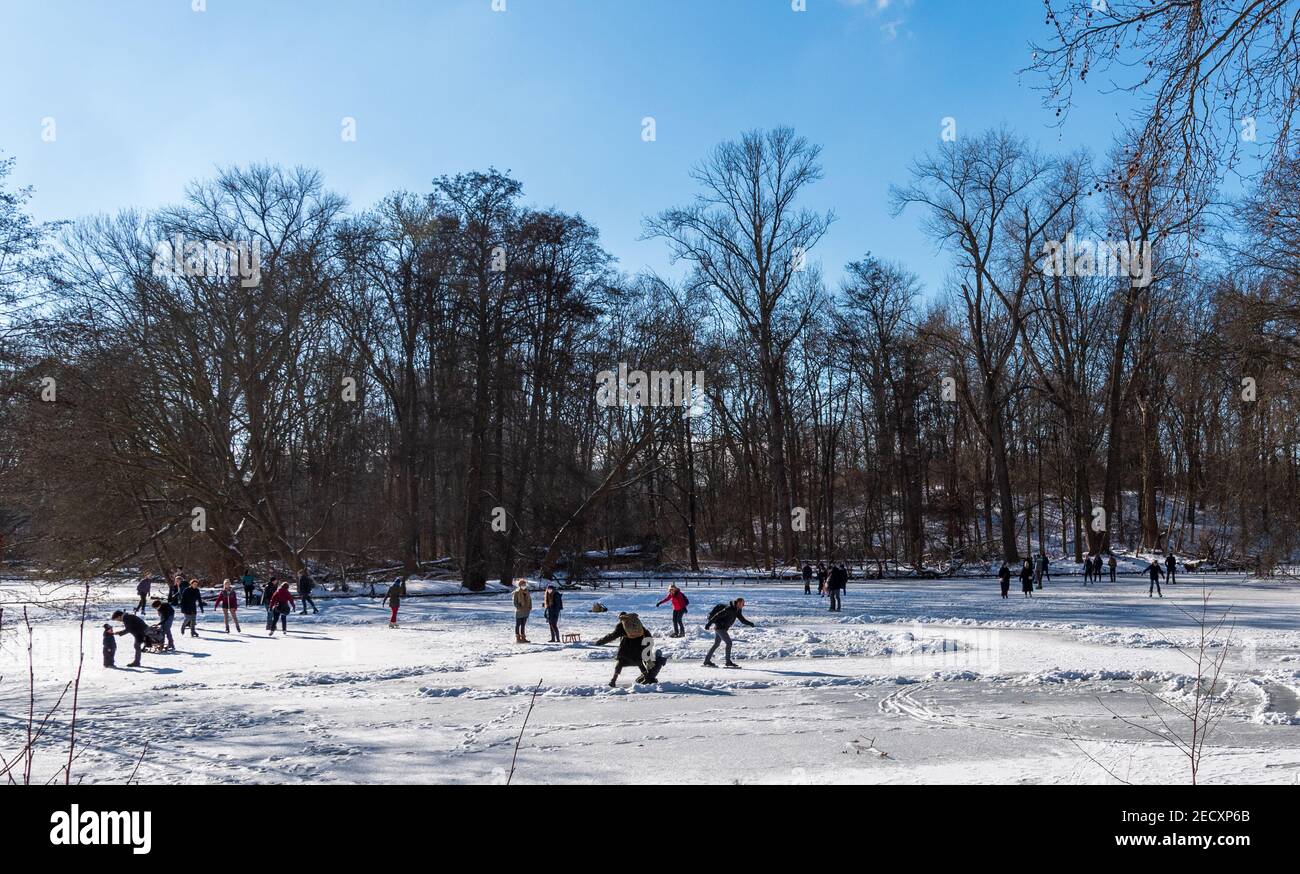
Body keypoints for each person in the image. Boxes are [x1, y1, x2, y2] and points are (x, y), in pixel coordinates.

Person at [594, 612, 666, 687]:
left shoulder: (622, 625)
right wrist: (647, 647)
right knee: (639, 662)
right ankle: (647, 677)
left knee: (620, 663)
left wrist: (600, 642)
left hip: (626, 649)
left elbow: (612, 636)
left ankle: (613, 681)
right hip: (638, 648)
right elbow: (647, 634)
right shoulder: (636, 624)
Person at [704, 598, 754, 668]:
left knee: (716, 644)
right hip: (720, 628)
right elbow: (717, 615)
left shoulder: (737, 610)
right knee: (729, 643)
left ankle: (707, 661)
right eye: (743, 604)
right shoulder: (729, 609)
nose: (743, 605)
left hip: (721, 628)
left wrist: (750, 623)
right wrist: (709, 623)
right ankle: (728, 662)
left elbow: (742, 620)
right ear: (739, 603)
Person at [512, 579, 532, 643]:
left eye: (524, 585)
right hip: (519, 611)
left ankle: (523, 638)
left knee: (523, 625)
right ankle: (518, 638)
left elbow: (530, 600)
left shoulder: (527, 592)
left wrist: (530, 607)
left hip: (526, 611)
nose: (524, 586)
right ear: (520, 585)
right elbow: (515, 602)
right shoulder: (516, 592)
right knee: (518, 624)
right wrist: (519, 607)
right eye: (522, 585)